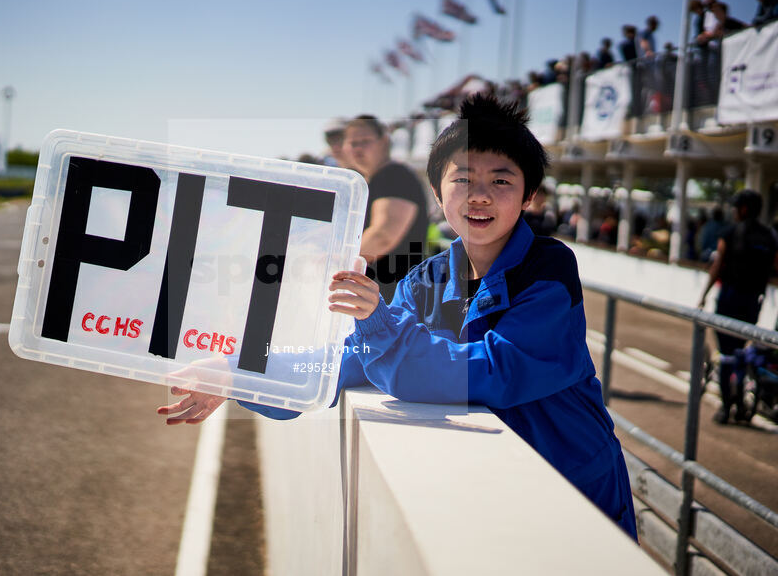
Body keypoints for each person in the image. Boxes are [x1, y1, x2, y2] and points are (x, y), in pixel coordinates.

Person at [160, 95, 639, 541]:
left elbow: (494, 372)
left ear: (529, 195)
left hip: (575, 491)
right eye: (463, 179)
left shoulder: (548, 269)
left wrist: (379, 324)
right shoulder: (426, 278)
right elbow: (350, 359)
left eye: (501, 181)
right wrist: (237, 373)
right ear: (437, 191)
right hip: (488, 494)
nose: (479, 196)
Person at [699, 190, 778, 424]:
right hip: (753, 302)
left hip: (729, 299)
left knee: (725, 356)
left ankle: (726, 408)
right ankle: (742, 403)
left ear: (743, 209)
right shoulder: (769, 236)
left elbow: (717, 266)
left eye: (736, 207)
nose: (733, 211)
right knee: (741, 351)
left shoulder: (730, 233)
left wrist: (703, 295)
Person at [340, 115, 429, 303]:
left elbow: (383, 236)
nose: (358, 149)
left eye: (365, 141)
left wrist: (337, 263)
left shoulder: (394, 177)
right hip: (380, 297)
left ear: (385, 142)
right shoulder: (374, 180)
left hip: (393, 300)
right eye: (352, 143)